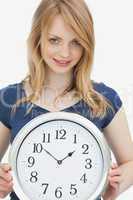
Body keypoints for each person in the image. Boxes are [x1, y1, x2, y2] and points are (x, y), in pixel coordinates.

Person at [0, 0, 133, 199]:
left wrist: (118, 185)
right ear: (38, 39)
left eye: (76, 42)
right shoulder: (9, 100)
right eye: (55, 40)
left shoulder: (105, 99)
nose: (65, 53)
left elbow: (130, 163)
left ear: (87, 44)